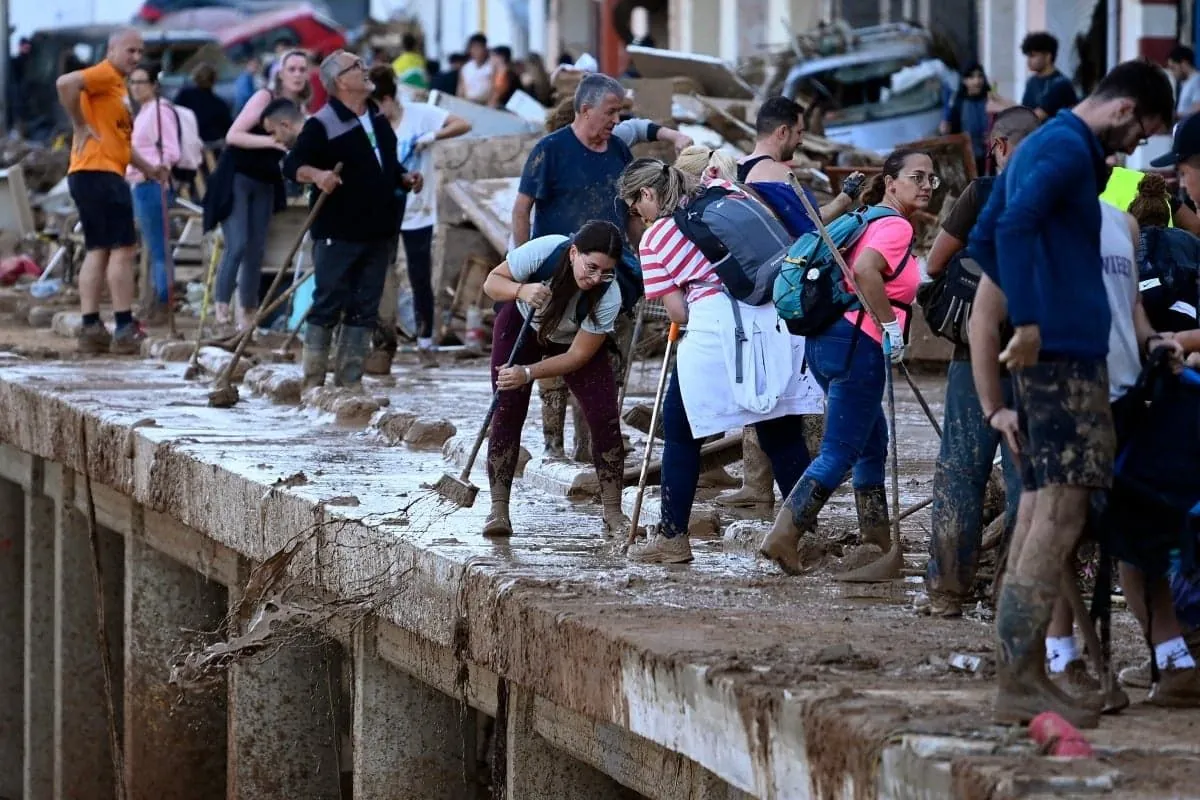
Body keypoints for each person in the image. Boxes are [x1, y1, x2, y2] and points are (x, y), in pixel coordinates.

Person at [967, 60, 1175, 728]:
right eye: (1142, 131)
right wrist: (1032, 317)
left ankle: (1022, 675)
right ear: (1125, 110)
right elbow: (1013, 226)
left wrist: (1036, 309)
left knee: (1042, 511)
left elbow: (983, 234)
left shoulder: (1050, 142)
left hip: (1054, 358)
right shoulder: (1064, 147)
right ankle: (1020, 679)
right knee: (1057, 513)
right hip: (1064, 362)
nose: (1135, 147)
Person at [618, 158, 822, 563]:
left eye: (634, 204)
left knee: (680, 430)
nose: (636, 214)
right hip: (775, 317)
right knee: (779, 430)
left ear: (646, 194)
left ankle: (673, 537)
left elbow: (678, 313)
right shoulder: (726, 194)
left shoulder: (656, 237)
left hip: (716, 329)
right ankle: (805, 534)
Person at [759, 148, 933, 576]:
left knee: (872, 443)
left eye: (932, 179)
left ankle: (875, 539)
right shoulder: (893, 226)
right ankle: (783, 537)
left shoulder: (868, 219)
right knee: (839, 450)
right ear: (891, 183)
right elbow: (866, 273)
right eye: (917, 177)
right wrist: (891, 326)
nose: (927, 186)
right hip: (860, 344)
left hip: (827, 341)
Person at [513, 72, 691, 459]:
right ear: (586, 109)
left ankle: (593, 441)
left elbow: (631, 213)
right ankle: (553, 448)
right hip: (560, 273)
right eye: (611, 112)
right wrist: (523, 264)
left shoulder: (617, 152)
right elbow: (522, 208)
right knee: (555, 358)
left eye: (620, 113)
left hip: (613, 273)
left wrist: (648, 255)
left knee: (606, 357)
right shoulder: (550, 151)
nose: (616, 120)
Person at [921, 107, 1040, 618]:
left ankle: (948, 590)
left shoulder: (984, 194)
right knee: (1027, 481)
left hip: (976, 354)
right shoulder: (1070, 201)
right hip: (1041, 360)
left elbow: (934, 264)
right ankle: (1009, 596)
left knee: (961, 471)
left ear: (999, 146)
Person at [481, 221, 630, 538]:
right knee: (507, 409)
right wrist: (522, 289)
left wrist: (529, 372)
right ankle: (498, 510)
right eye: (590, 267)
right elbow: (492, 282)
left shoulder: (609, 293)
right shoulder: (545, 250)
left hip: (572, 339)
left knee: (604, 416)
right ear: (574, 252)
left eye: (604, 272)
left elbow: (577, 357)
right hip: (522, 323)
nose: (594, 279)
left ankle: (614, 512)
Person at [282, 51, 419, 391]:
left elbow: (387, 165)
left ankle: (350, 383)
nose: (365, 69)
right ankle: (313, 383)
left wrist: (404, 177)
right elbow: (292, 164)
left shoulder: (376, 117)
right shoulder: (323, 123)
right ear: (341, 81)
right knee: (329, 301)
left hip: (378, 230)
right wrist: (318, 175)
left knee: (365, 307)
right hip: (338, 230)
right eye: (357, 66)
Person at [56, 28, 170, 354]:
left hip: (96, 172)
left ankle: (91, 326)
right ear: (112, 50)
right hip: (99, 172)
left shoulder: (118, 87)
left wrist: (150, 169)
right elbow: (65, 83)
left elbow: (121, 142)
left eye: (139, 52)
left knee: (99, 248)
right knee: (123, 248)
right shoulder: (105, 75)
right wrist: (78, 123)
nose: (135, 57)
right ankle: (123, 326)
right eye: (130, 51)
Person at [364, 66, 472, 373]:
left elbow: (463, 123)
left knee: (420, 275)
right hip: (383, 210)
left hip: (418, 209)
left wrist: (434, 135)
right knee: (382, 275)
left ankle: (426, 342)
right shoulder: (373, 124)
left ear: (388, 98)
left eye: (379, 104)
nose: (377, 111)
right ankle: (383, 343)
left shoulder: (420, 114)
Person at [216, 48, 310, 331]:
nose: (297, 74)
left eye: (302, 69)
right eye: (291, 69)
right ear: (280, 73)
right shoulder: (264, 97)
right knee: (238, 243)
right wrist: (271, 143)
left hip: (267, 180)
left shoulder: (302, 110)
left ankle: (247, 314)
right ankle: (222, 310)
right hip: (237, 175)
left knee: (257, 249)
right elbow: (233, 135)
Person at [737, 96, 863, 235]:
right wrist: (846, 196)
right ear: (783, 132)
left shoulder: (735, 169)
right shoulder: (778, 173)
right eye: (799, 132)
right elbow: (812, 224)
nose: (801, 140)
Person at [126, 62, 181, 322]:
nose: (135, 88)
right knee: (151, 244)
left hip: (152, 184)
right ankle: (156, 298)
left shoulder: (161, 111)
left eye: (141, 82)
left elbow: (171, 150)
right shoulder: (144, 112)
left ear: (153, 85)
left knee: (159, 247)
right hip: (139, 183)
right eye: (132, 82)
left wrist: (158, 168)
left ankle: (163, 301)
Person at [939, 63, 992, 176]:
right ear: (964, 80)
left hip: (989, 157)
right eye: (971, 77)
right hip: (967, 157)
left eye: (980, 76)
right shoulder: (959, 103)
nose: (976, 81)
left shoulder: (990, 100)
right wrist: (945, 130)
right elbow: (952, 133)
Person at [1018, 32, 1078, 121]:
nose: (1028, 61)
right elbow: (1024, 111)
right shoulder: (1031, 81)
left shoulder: (1060, 84)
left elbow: (1035, 117)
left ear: (1048, 57)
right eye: (1028, 56)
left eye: (1033, 56)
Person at [175, 63, 234, 147]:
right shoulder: (219, 104)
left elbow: (173, 116)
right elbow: (228, 130)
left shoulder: (184, 95)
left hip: (187, 144)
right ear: (214, 80)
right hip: (212, 148)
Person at [458, 33, 494, 104]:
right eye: (473, 48)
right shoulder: (466, 68)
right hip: (468, 103)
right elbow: (460, 90)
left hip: (485, 104)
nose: (476, 51)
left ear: (485, 48)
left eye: (479, 47)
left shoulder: (492, 67)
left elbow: (495, 90)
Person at [1168, 45, 1200, 121]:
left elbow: (1198, 108)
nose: (1172, 73)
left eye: (1173, 68)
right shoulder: (1186, 83)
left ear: (1184, 63)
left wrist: (1175, 116)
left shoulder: (1197, 80)